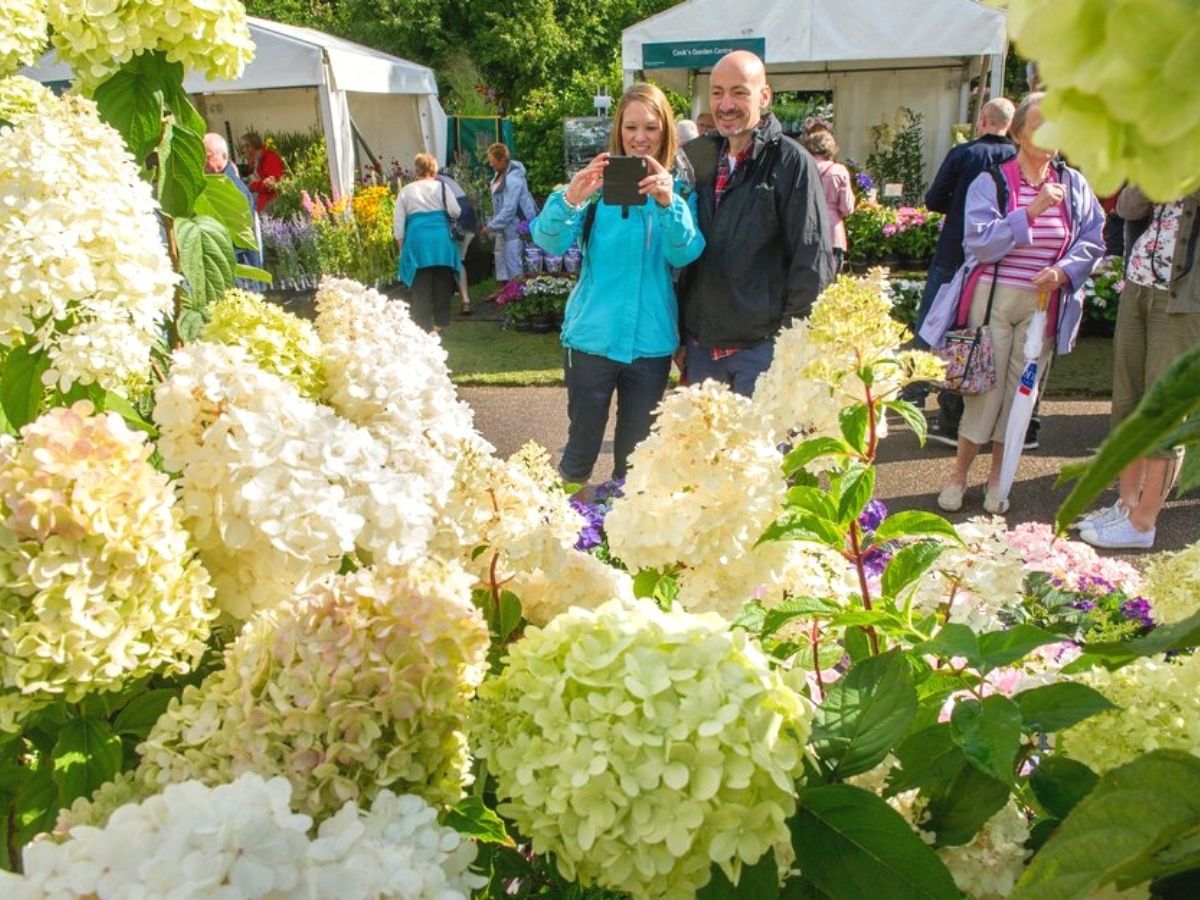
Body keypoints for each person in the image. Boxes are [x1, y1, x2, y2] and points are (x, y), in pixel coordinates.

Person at [920, 92, 1105, 515]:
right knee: (985, 391)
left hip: (1044, 305)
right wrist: (1032, 212)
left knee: (1022, 393)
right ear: (1018, 132)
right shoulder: (994, 180)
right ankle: (958, 475)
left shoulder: (1074, 184)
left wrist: (1064, 272)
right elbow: (980, 243)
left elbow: (1093, 238)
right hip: (994, 299)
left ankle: (997, 481)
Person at [532, 82, 704, 487]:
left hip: (651, 344)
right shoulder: (592, 188)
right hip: (592, 339)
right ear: (618, 131)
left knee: (634, 462)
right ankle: (561, 540)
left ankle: (621, 545)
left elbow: (686, 253)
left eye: (650, 128)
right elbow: (548, 240)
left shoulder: (679, 192)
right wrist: (570, 199)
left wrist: (668, 203)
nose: (640, 138)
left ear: (666, 132)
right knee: (578, 454)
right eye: (631, 128)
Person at [678, 50, 834, 397]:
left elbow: (812, 263)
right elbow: (680, 252)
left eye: (739, 91)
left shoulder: (792, 163)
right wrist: (680, 334)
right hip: (703, 351)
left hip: (761, 353)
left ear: (764, 96)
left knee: (759, 452)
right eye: (717, 92)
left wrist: (790, 349)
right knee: (703, 452)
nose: (726, 104)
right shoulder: (697, 156)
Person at [1075, 185, 1200, 549]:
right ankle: (1127, 505)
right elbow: (1128, 208)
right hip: (1140, 285)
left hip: (1185, 301)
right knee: (1127, 403)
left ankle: (1144, 522)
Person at [906, 98, 1017, 433]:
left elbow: (933, 199)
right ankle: (961, 402)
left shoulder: (965, 154)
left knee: (932, 320)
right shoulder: (1017, 157)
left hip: (956, 248)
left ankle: (914, 389)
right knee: (979, 326)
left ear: (982, 120)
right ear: (1010, 125)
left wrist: (959, 206)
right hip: (1000, 257)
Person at [393, 153, 461, 333]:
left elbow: (398, 221)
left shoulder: (406, 191)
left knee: (421, 285)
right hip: (441, 240)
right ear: (434, 168)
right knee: (442, 282)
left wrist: (401, 245)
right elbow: (455, 211)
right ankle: (441, 323)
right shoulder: (443, 188)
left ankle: (423, 325)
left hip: (418, 240)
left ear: (417, 169)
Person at [203, 133, 264, 284]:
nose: (202, 162)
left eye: (207, 157)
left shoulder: (231, 187)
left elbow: (237, 236)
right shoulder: (217, 181)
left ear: (223, 156)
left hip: (239, 264)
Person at [482, 143, 537, 286]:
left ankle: (518, 295)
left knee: (514, 261)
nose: (491, 164)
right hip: (507, 225)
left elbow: (509, 209)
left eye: (492, 161)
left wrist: (491, 227)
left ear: (502, 160)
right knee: (504, 256)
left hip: (518, 225)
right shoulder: (501, 173)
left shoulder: (513, 179)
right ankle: (509, 290)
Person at [804, 129, 855, 273]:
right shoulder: (838, 171)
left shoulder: (804, 167)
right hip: (833, 232)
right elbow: (847, 207)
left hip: (807, 229)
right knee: (831, 283)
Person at [435, 169, 478, 315]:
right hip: (469, 220)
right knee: (458, 260)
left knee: (455, 261)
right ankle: (464, 300)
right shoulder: (447, 180)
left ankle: (464, 301)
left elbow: (449, 209)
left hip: (457, 221)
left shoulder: (436, 182)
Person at [239, 132, 285, 213]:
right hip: (263, 200)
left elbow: (273, 182)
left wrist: (252, 186)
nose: (244, 150)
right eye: (243, 147)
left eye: (247, 146)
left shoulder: (269, 157)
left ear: (254, 144)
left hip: (272, 202)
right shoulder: (257, 159)